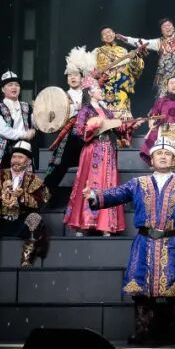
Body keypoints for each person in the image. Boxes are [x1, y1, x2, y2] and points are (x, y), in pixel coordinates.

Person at [86, 137, 175, 345]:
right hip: (144, 241)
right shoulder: (138, 183)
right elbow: (117, 193)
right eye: (158, 154)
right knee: (140, 290)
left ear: (173, 160)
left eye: (167, 154)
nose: (163, 156)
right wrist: (94, 196)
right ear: (151, 160)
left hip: (173, 242)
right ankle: (142, 330)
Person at [63, 77, 131, 236]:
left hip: (108, 150)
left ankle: (105, 224)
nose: (101, 91)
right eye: (98, 89)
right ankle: (83, 223)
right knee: (88, 183)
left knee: (107, 183)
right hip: (93, 149)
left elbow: (117, 128)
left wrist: (129, 125)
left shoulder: (106, 110)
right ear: (90, 92)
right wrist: (94, 125)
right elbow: (79, 131)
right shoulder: (85, 110)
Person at [0, 141, 49, 267]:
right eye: (14, 157)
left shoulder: (35, 181)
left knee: (35, 218)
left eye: (20, 157)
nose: (16, 160)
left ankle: (26, 260)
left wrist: (22, 196)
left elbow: (40, 203)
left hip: (20, 222)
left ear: (28, 161)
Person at [44, 47, 91, 188]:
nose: (72, 77)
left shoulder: (89, 95)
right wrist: (74, 108)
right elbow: (54, 117)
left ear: (82, 77)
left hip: (86, 137)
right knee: (56, 169)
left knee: (90, 170)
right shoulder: (61, 96)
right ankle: (43, 197)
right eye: (69, 75)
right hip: (67, 138)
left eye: (76, 75)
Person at [94, 26, 146, 144]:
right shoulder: (97, 52)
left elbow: (132, 70)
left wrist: (137, 58)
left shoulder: (123, 51)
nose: (108, 35)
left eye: (110, 32)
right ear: (102, 38)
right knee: (106, 118)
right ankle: (105, 144)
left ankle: (123, 142)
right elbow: (92, 71)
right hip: (106, 89)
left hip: (121, 89)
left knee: (123, 118)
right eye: (104, 34)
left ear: (114, 34)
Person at [0, 70, 35, 172]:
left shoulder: (27, 107)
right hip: (4, 153)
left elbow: (36, 124)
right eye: (10, 85)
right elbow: (1, 130)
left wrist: (40, 112)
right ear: (3, 89)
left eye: (17, 85)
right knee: (3, 181)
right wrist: (24, 134)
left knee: (24, 181)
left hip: (24, 152)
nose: (14, 87)